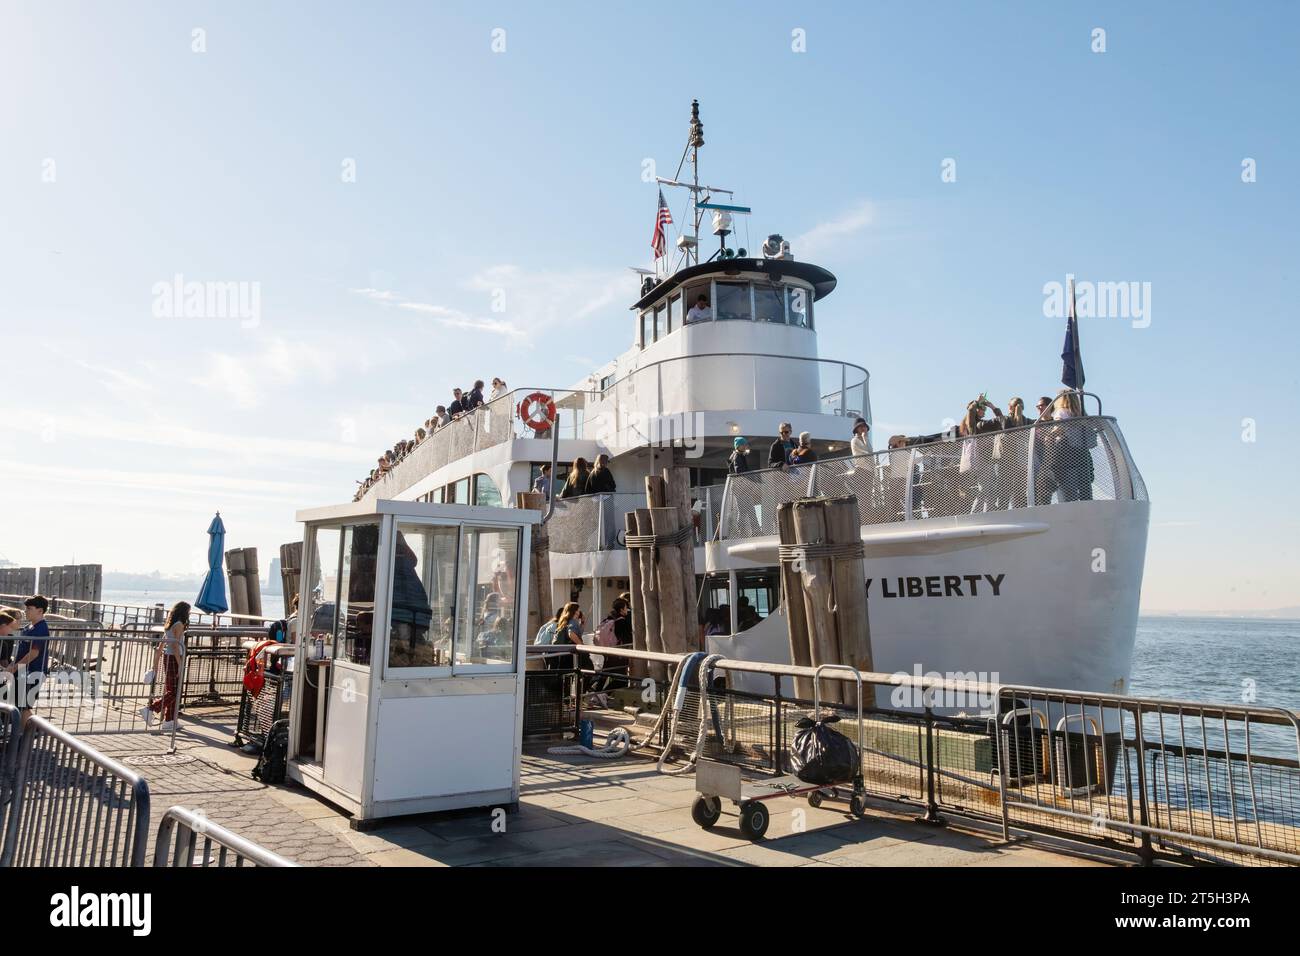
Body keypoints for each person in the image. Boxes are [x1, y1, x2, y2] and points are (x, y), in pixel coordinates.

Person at [141, 601, 188, 732]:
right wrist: (180, 664)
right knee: (174, 691)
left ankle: (170, 720)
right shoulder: (179, 625)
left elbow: (162, 644)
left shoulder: (169, 624)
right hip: (174, 657)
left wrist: (155, 663)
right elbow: (175, 645)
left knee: (172, 689)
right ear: (184, 612)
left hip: (167, 657)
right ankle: (151, 709)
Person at [4, 596, 50, 723]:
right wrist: (13, 664)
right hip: (22, 672)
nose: (26, 611)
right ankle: (24, 733)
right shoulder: (28, 627)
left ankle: (27, 734)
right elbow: (21, 651)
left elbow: (34, 653)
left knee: (24, 707)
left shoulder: (41, 628)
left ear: (40, 611)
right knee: (19, 705)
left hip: (33, 672)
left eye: (29, 608)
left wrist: (14, 667)